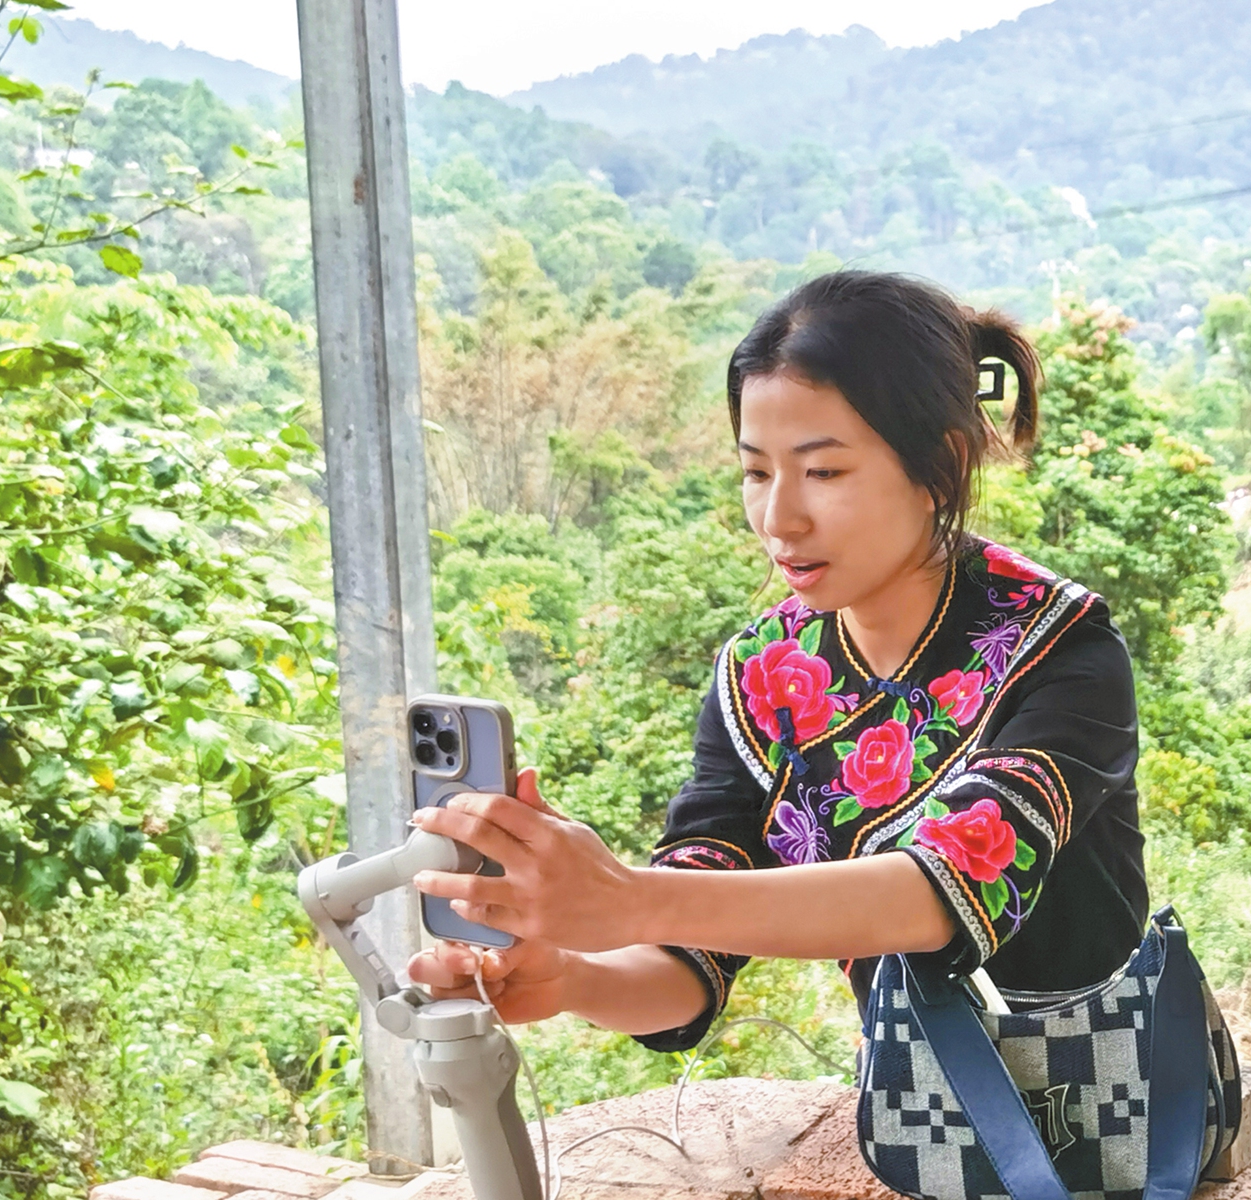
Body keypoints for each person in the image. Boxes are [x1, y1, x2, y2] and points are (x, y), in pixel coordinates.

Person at [405, 270, 1149, 1049]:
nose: (778, 517)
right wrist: (569, 977)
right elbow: (689, 955)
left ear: (942, 465)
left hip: (1113, 1102)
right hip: (931, 1115)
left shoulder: (1061, 648)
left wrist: (627, 897)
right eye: (757, 471)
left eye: (823, 471)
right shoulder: (765, 677)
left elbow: (938, 893)